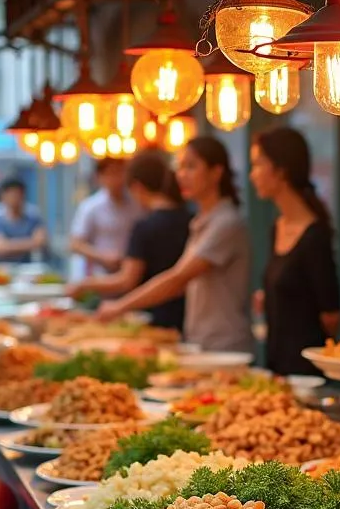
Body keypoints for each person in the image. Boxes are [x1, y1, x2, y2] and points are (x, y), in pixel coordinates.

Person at [97, 136, 252, 353]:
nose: (182, 175)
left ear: (216, 172)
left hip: (224, 345)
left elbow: (178, 278)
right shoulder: (200, 220)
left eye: (191, 166)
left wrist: (118, 307)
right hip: (200, 341)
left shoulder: (226, 222)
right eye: (180, 167)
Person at [249, 127, 340, 375]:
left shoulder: (315, 235)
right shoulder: (276, 227)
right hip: (276, 365)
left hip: (306, 374)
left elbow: (331, 315)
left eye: (258, 165)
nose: (252, 175)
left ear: (281, 170)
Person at [68, 150, 191, 330]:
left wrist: (85, 285)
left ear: (137, 187)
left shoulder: (144, 225)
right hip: (186, 314)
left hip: (153, 314)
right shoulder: (191, 219)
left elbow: (127, 280)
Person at [68, 157, 142, 279]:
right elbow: (75, 244)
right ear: (100, 177)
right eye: (112, 173)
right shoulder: (91, 206)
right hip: (100, 276)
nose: (118, 178)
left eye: (121, 172)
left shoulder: (137, 204)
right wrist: (102, 257)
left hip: (132, 274)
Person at [0, 177, 46, 264]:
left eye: (17, 194)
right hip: (3, 270)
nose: (14, 198)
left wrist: (9, 244)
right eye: (11, 194)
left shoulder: (34, 219)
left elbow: (40, 242)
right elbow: (0, 248)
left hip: (29, 269)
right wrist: (30, 242)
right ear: (3, 196)